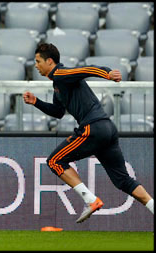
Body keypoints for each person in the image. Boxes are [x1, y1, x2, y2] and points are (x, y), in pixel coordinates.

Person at [23, 43, 154, 223]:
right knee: (123, 180)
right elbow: (58, 112)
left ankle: (90, 200)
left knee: (54, 161)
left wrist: (107, 73)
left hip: (93, 128)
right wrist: (36, 102)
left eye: (38, 61)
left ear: (50, 61)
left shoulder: (61, 74)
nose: (36, 65)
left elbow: (86, 70)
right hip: (106, 128)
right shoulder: (58, 85)